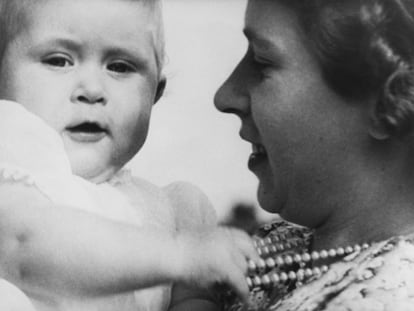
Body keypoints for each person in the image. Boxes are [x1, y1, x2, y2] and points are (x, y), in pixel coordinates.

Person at [0, 0, 260, 310]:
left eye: (119, 67)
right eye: (58, 60)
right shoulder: (14, 158)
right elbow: (25, 246)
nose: (92, 89)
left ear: (155, 92)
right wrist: (180, 255)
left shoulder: (172, 215)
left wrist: (194, 277)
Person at [214, 0, 414, 309]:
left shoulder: (392, 297)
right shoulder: (271, 253)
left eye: (262, 61)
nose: (224, 96)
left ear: (386, 100)